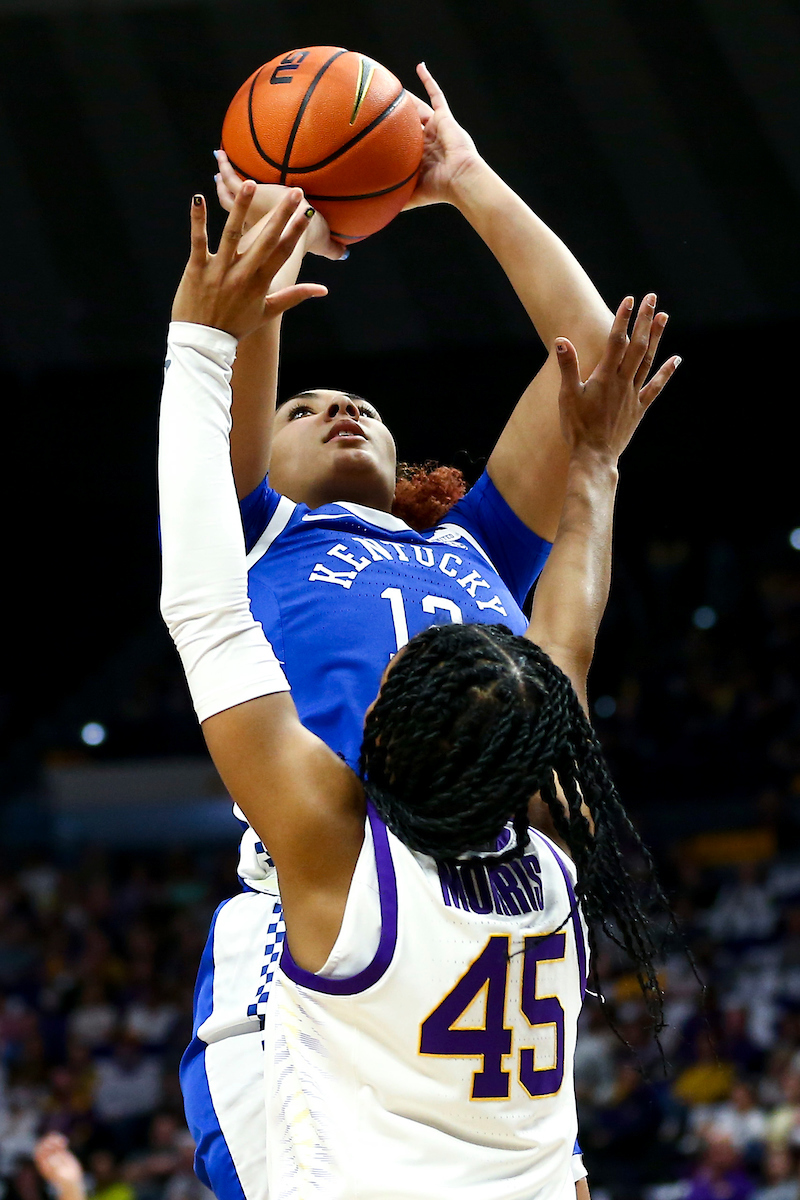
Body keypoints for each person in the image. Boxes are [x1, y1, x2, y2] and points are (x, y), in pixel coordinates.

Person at [159, 181, 679, 1197]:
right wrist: (268, 265)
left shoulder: (474, 543)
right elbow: (566, 649)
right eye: (301, 409)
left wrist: (463, 176)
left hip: (414, 885)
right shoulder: (263, 530)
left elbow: (583, 348)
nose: (338, 409)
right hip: (337, 889)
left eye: (357, 404)